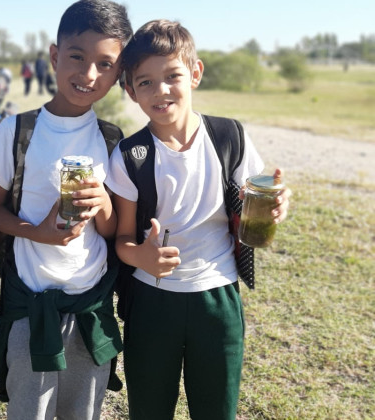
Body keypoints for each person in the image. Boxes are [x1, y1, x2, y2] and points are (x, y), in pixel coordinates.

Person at [109, 19, 292, 420]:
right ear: (130, 90)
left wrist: (276, 206)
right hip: (152, 302)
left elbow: (256, 202)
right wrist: (142, 257)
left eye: (172, 75)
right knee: (149, 408)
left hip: (218, 299)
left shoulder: (230, 137)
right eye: (145, 82)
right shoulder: (129, 155)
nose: (162, 91)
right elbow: (122, 240)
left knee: (216, 409)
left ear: (195, 73)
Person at [0, 1, 133, 419]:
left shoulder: (112, 140)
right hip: (31, 305)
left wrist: (101, 205)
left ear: (118, 74)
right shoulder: (16, 130)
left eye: (105, 64)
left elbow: (116, 230)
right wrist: (36, 231)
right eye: (77, 57)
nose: (88, 74)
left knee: (84, 412)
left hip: (91, 306)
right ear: (54, 56)